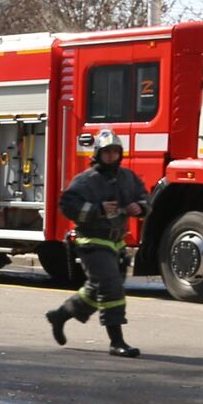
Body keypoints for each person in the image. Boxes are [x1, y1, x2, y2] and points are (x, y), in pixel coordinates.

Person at [46, 128, 149, 357]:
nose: (111, 156)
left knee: (96, 290)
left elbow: (145, 198)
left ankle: (60, 315)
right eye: (106, 152)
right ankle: (117, 342)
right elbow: (67, 206)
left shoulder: (128, 177)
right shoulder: (85, 181)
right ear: (98, 153)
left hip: (117, 243)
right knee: (111, 288)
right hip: (92, 241)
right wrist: (97, 210)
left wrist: (140, 207)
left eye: (115, 151)